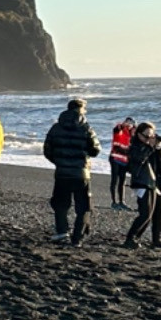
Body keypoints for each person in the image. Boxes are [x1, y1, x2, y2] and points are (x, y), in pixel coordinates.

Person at [42, 96, 100, 245]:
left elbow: (47, 149)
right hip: (81, 173)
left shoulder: (56, 127)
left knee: (60, 204)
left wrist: (59, 162)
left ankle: (62, 231)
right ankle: (77, 238)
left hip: (62, 172)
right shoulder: (86, 128)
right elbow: (95, 150)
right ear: (80, 110)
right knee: (83, 206)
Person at [124, 121, 161, 250]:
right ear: (139, 135)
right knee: (146, 214)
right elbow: (138, 160)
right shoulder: (135, 146)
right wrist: (150, 147)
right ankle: (131, 238)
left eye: (151, 136)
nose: (149, 139)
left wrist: (159, 147)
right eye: (146, 136)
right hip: (143, 182)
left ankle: (158, 239)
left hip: (156, 181)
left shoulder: (151, 146)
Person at [109, 116, 135, 209]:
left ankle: (122, 202)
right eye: (128, 123)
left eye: (131, 123)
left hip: (124, 160)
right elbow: (116, 129)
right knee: (114, 180)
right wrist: (123, 125)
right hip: (115, 158)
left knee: (122, 181)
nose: (129, 125)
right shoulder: (120, 129)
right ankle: (114, 202)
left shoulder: (131, 134)